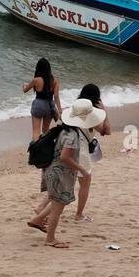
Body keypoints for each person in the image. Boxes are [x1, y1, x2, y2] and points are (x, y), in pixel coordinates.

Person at [28, 99, 106, 248]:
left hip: (52, 171)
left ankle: (38, 220)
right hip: (59, 173)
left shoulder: (64, 130)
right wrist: (81, 168)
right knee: (58, 208)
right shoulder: (72, 135)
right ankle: (50, 239)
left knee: (58, 201)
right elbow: (65, 157)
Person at [72, 83, 111, 222]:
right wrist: (105, 112)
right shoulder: (92, 114)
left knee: (66, 181)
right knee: (86, 182)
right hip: (80, 150)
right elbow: (106, 131)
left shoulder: (75, 109)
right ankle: (79, 215)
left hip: (68, 147)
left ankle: (41, 208)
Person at [22, 57, 63, 138]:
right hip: (50, 106)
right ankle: (45, 149)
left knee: (36, 132)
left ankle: (36, 150)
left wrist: (24, 85)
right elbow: (56, 96)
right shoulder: (54, 81)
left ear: (38, 68)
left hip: (38, 105)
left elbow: (25, 90)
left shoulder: (36, 80)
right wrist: (60, 111)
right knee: (45, 130)